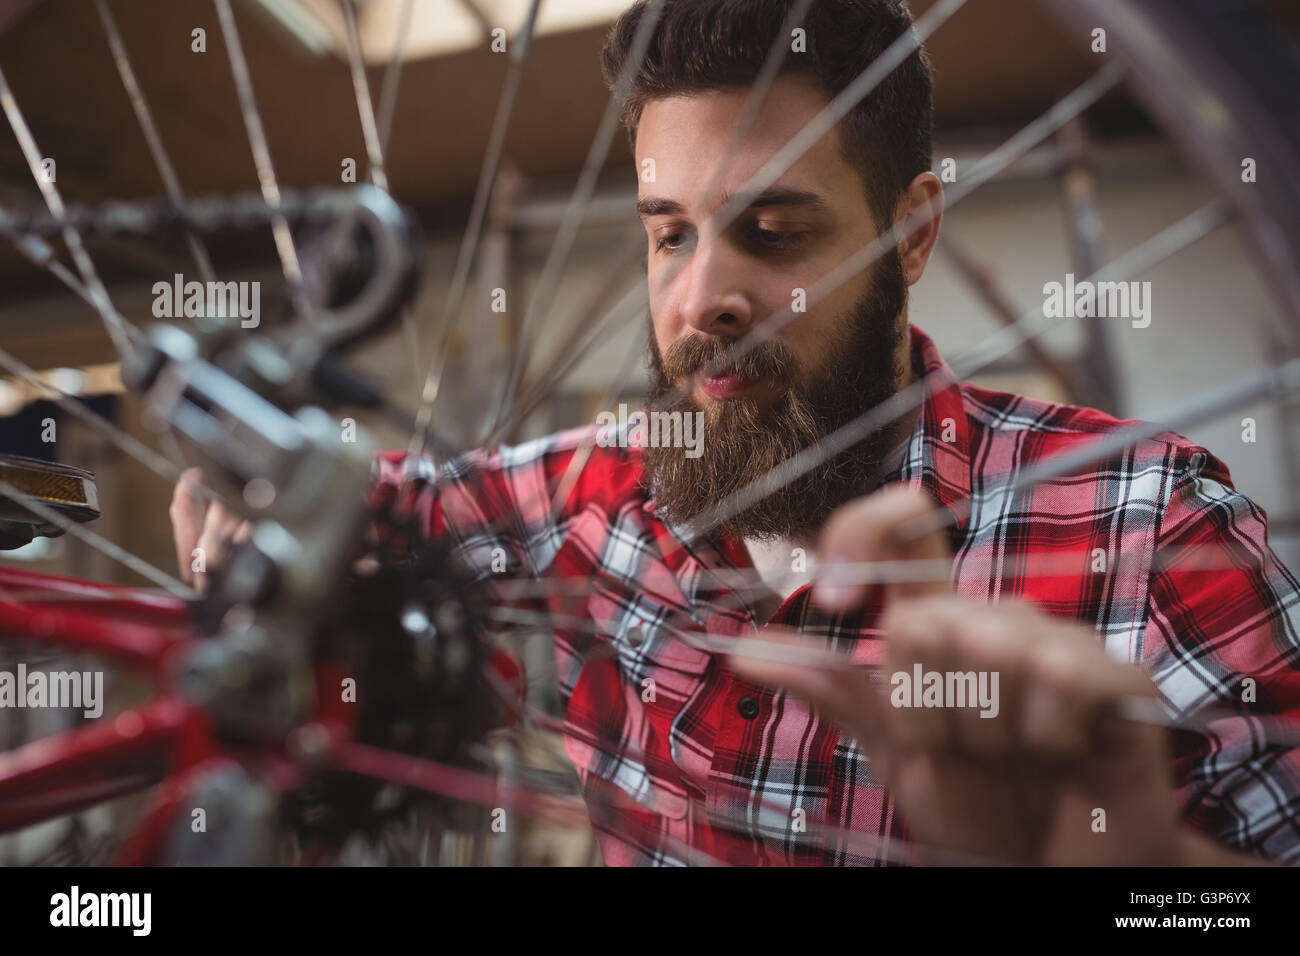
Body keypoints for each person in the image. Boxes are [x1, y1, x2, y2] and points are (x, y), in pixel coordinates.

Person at [171, 0, 1300, 865]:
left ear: (909, 235)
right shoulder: (587, 501)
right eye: (669, 236)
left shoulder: (1149, 526)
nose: (698, 297)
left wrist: (1138, 871)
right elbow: (361, 503)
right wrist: (248, 496)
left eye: (770, 229)